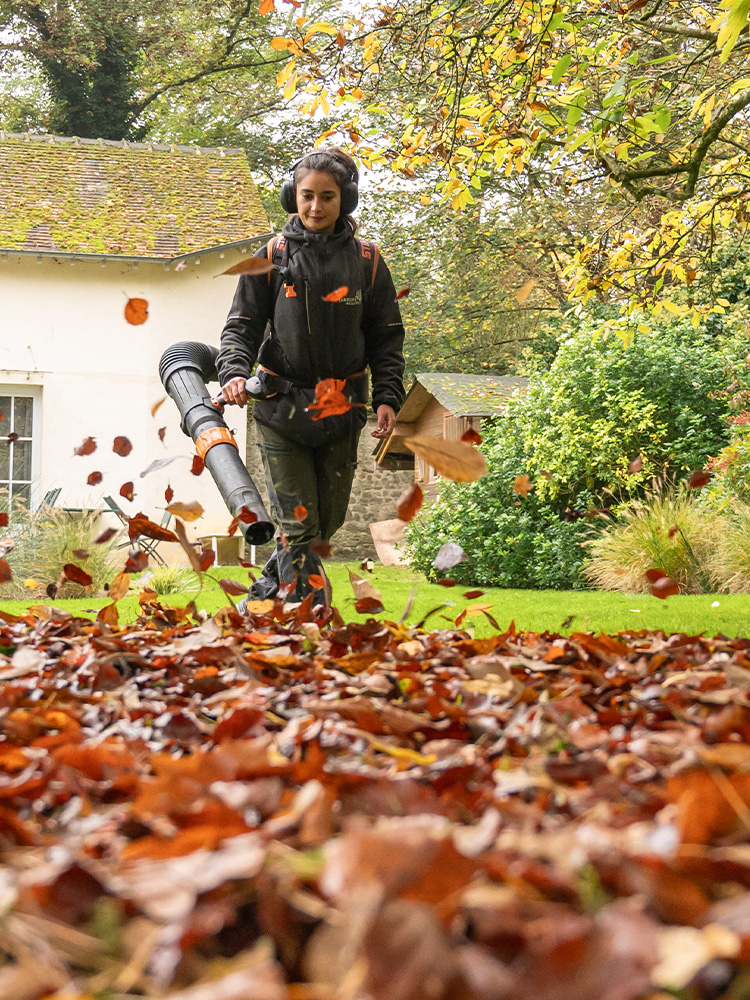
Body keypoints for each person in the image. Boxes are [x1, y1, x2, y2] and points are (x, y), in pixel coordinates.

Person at [217, 148, 406, 605]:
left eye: (327, 197)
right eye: (307, 196)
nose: (316, 207)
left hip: (343, 410)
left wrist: (388, 397)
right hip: (281, 408)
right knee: (300, 526)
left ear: (347, 200)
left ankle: (258, 603)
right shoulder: (270, 257)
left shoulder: (367, 262)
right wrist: (234, 372)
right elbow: (240, 325)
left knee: (324, 525)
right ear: (291, 196)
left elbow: (386, 338)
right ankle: (309, 621)